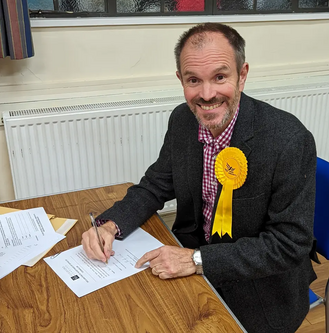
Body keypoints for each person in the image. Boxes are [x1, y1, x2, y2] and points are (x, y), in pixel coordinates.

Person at [81, 22, 317, 333]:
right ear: (181, 80)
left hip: (260, 287)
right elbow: (155, 185)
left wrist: (196, 260)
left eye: (220, 77)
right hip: (189, 257)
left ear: (242, 75)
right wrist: (109, 224)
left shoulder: (288, 139)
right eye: (194, 80)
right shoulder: (182, 120)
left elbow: (289, 244)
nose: (207, 95)